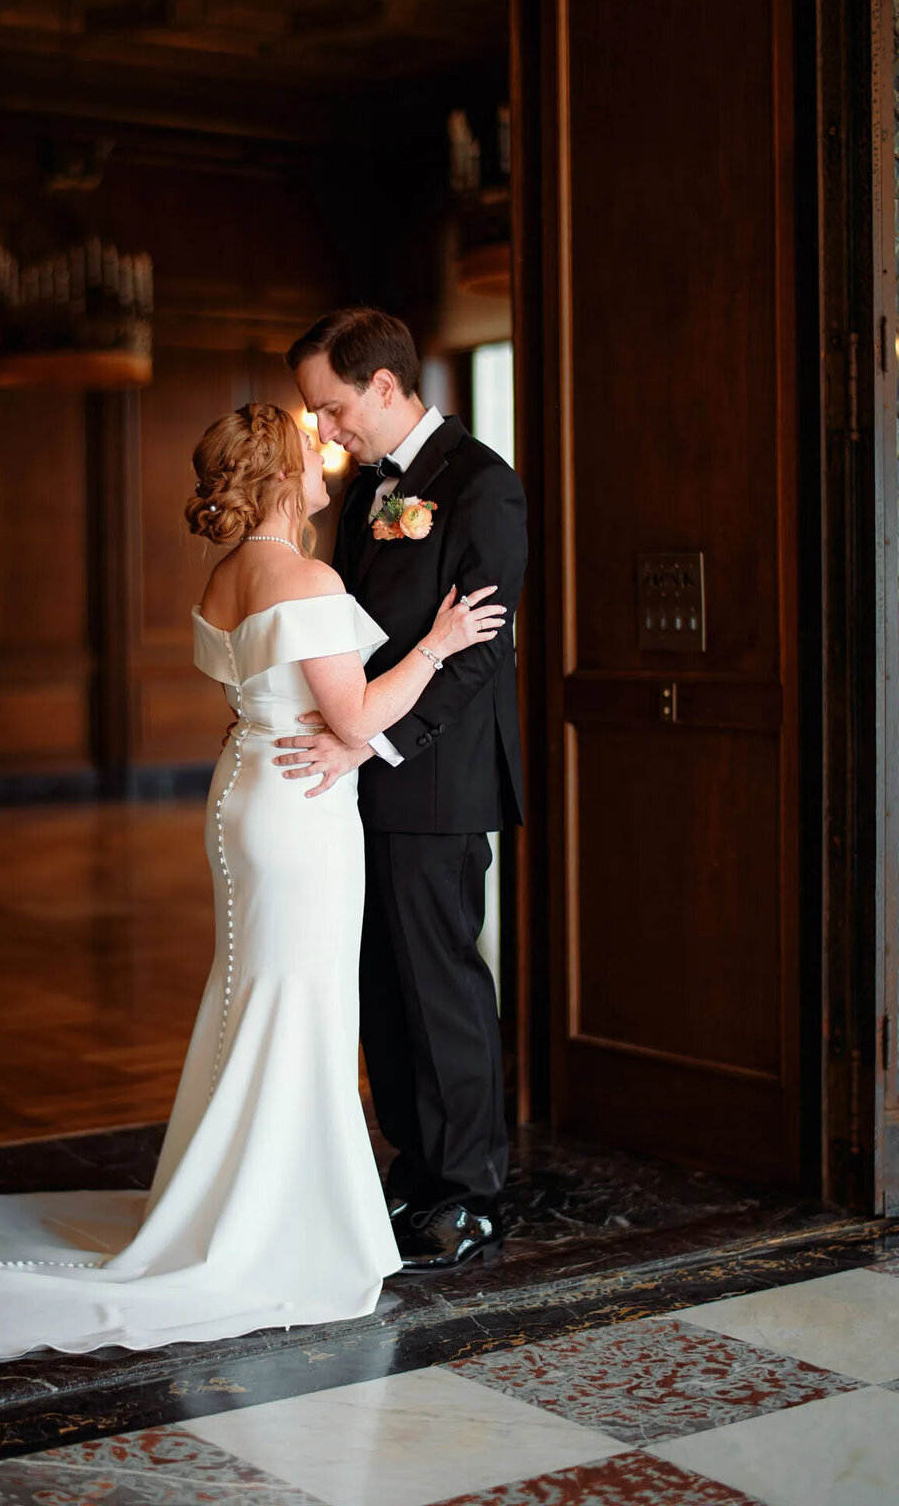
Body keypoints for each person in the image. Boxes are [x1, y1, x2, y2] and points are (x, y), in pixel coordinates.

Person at [0, 401, 505, 1359]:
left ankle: (254, 1187)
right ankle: (283, 1210)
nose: (326, 467)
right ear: (275, 478)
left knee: (252, 993)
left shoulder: (224, 579)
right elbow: (353, 719)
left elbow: (253, 693)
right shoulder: (305, 575)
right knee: (300, 1002)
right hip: (301, 809)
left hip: (244, 793)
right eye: (309, 455)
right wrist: (440, 641)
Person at [277, 307, 527, 1272]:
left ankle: (469, 1195)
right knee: (380, 989)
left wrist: (371, 743)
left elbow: (478, 657)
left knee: (442, 989)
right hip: (361, 770)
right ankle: (416, 1171)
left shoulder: (483, 487)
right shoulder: (368, 494)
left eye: (332, 408)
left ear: (384, 385)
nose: (326, 430)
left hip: (435, 783)